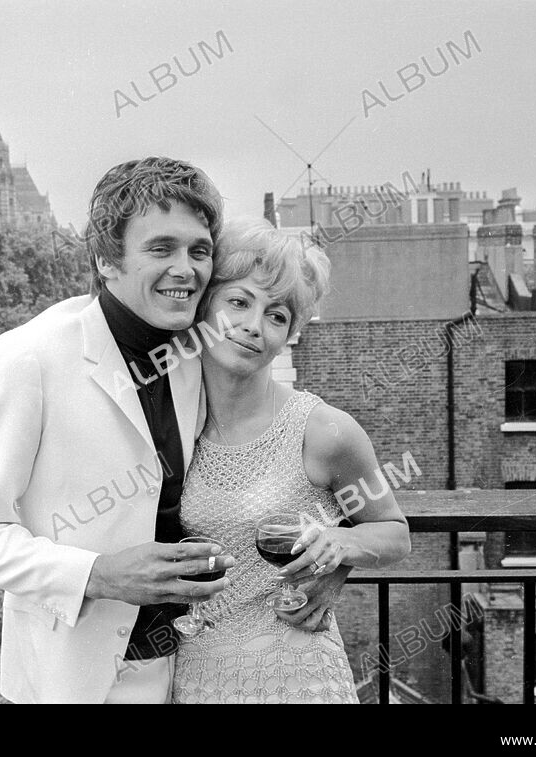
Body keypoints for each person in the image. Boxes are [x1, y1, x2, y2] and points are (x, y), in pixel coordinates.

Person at [0, 157, 238, 704]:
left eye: (199, 250)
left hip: (196, 668)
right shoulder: (27, 357)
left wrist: (330, 559)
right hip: (74, 679)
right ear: (105, 259)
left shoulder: (199, 355)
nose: (187, 268)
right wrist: (98, 575)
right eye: (161, 248)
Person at [171, 218, 411, 704]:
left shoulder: (322, 429)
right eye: (238, 302)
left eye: (277, 315)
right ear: (205, 305)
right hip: (197, 676)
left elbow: (394, 532)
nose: (253, 326)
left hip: (298, 676)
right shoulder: (170, 422)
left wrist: (338, 549)